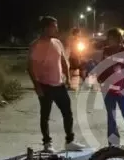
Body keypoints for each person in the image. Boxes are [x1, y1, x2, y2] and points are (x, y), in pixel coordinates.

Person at [28, 15, 84, 152]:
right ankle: (47, 143)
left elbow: (63, 61)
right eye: (54, 26)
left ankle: (70, 141)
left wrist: (68, 79)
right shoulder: (36, 45)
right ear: (45, 28)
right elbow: (30, 67)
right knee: (45, 115)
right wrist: (37, 86)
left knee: (67, 113)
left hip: (59, 85)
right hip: (44, 85)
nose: (56, 29)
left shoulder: (57, 42)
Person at [96, 28, 124, 145]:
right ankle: (113, 143)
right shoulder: (106, 51)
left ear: (118, 39)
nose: (110, 41)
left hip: (122, 90)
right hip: (108, 90)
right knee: (111, 117)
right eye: (109, 39)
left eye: (112, 39)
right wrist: (100, 79)